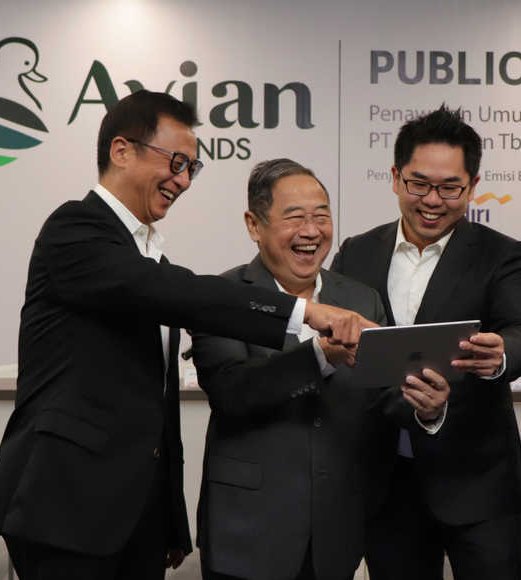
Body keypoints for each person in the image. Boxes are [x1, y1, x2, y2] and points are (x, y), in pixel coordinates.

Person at [0, 91, 374, 580]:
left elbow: (155, 407)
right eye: (176, 162)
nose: (182, 180)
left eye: (191, 168)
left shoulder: (150, 258)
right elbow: (188, 296)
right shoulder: (74, 230)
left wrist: (169, 520)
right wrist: (305, 312)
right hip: (67, 506)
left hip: (135, 517)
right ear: (122, 151)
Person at [192, 158, 449, 580]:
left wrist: (428, 408)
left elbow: (385, 396)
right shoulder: (222, 296)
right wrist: (320, 356)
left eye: (321, 216)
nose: (311, 231)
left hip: (337, 529)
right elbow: (232, 392)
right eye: (295, 217)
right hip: (248, 529)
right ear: (254, 225)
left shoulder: (362, 300)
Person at [331, 105, 521, 580]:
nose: (433, 200)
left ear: (472, 185)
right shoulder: (356, 253)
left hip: (478, 482)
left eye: (450, 188)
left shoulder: (502, 254)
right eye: (419, 184)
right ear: (395, 178)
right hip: (384, 482)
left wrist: (500, 354)